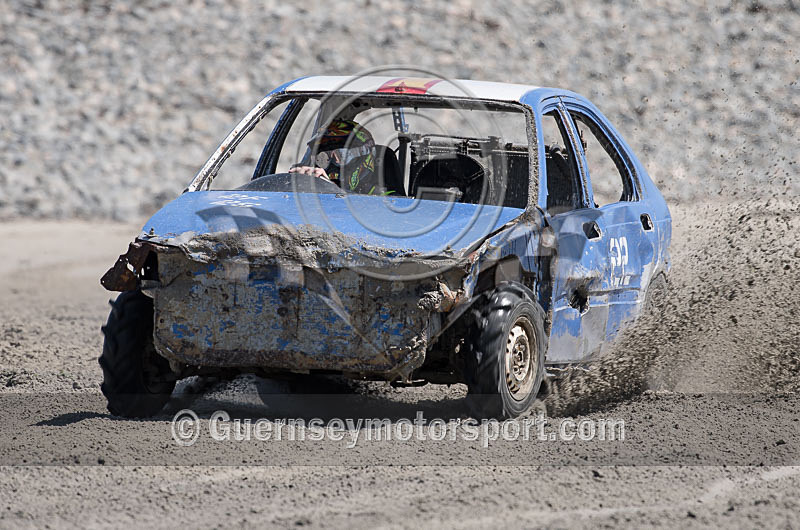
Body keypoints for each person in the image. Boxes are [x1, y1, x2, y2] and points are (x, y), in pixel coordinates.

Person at [289, 119, 379, 194]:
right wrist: (296, 184)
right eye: (322, 157)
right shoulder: (313, 192)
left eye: (342, 155)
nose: (332, 163)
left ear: (364, 155)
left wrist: (333, 190)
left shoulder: (383, 200)